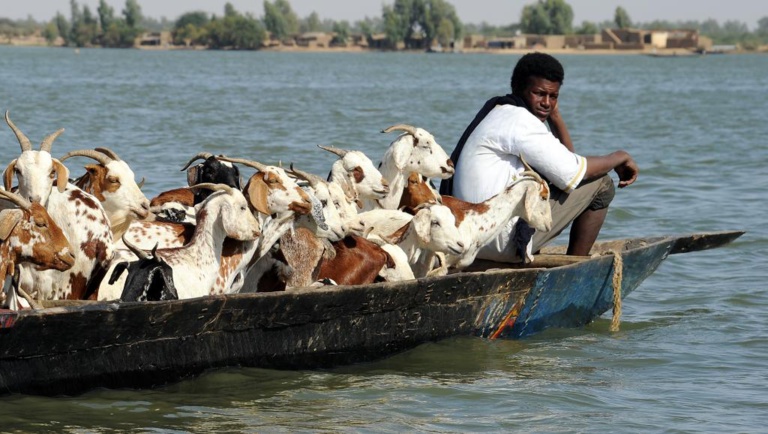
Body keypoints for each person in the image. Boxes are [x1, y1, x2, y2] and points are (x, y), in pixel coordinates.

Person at [440, 52, 638, 260]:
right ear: (519, 89)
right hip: (499, 242)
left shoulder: (499, 111)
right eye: (539, 94)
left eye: (553, 96)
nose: (546, 102)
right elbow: (573, 174)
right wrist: (620, 156)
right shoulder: (520, 121)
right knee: (602, 185)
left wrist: (554, 116)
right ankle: (575, 266)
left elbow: (566, 162)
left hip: (469, 240)